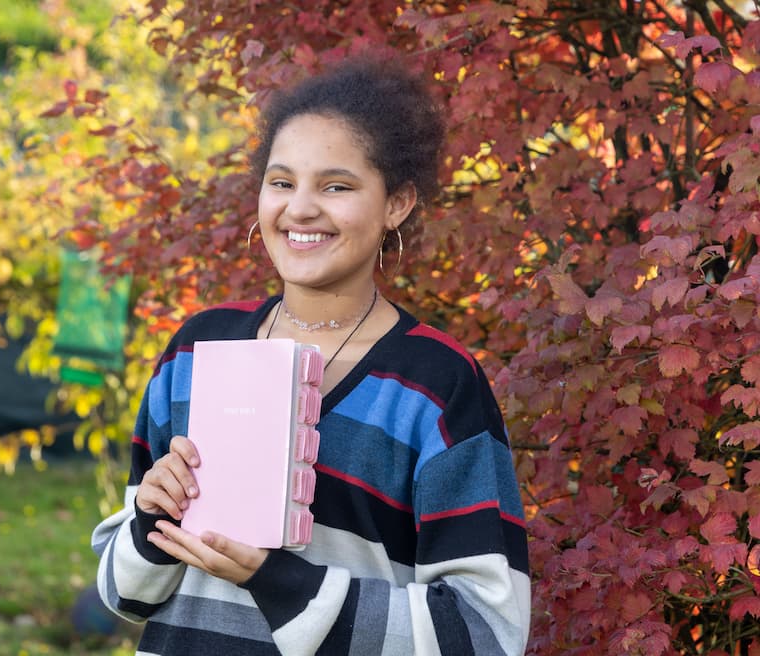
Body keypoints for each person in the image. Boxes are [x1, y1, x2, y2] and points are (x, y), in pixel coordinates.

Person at [91, 57, 531, 655]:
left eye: (336, 186)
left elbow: (484, 634)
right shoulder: (199, 350)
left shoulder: (435, 385)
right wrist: (150, 520)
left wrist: (278, 582)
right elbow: (125, 596)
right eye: (281, 182)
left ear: (396, 203)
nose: (299, 209)